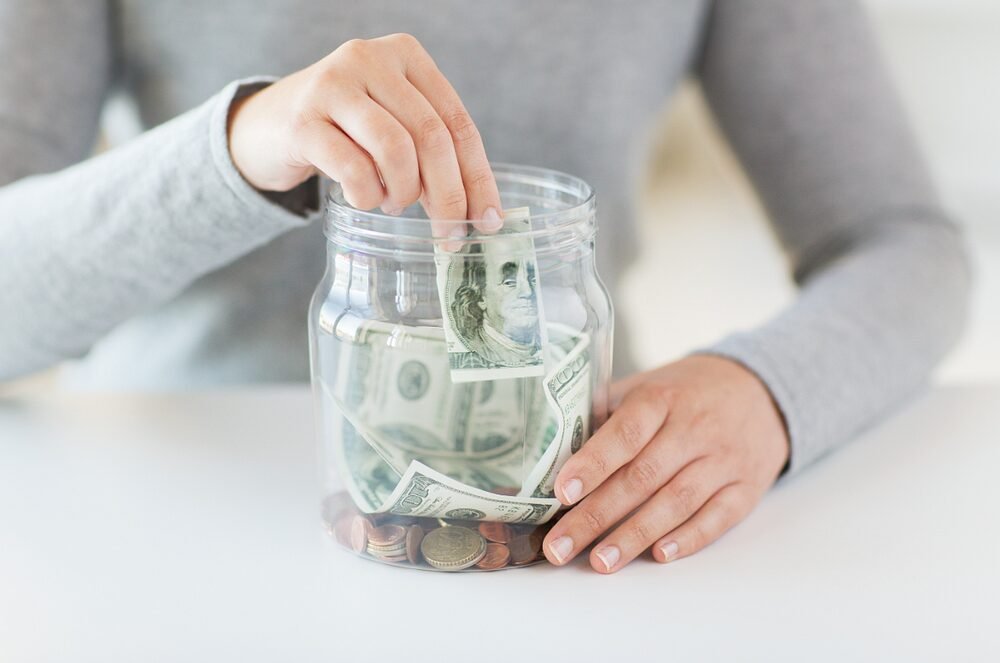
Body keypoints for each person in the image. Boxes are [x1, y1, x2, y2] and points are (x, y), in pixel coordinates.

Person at [0, 1, 970, 574]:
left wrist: (765, 390)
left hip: (570, 518)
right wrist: (241, 145)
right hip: (162, 523)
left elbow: (905, 243)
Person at [450, 242, 543, 370]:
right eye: (509, 282)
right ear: (480, 295)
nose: (528, 291)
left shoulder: (550, 342)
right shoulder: (477, 349)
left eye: (533, 279)